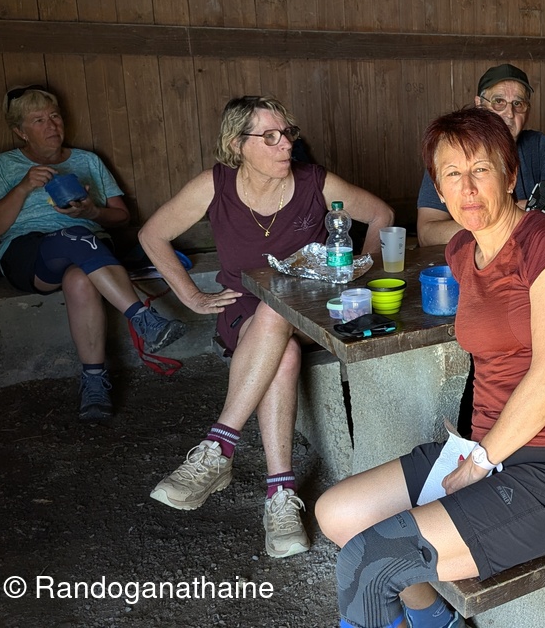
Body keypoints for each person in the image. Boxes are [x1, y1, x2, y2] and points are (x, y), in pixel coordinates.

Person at [316, 108, 545, 628]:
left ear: (511, 175)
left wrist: (478, 462)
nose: (468, 188)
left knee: (370, 560)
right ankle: (436, 619)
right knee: (338, 514)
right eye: (452, 174)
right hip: (489, 445)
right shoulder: (462, 250)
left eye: (481, 169)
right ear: (439, 188)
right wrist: (479, 451)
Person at [138, 95, 392, 559]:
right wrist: (191, 296)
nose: (285, 145)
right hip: (245, 310)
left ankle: (219, 448)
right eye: (270, 137)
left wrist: (362, 269)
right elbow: (151, 235)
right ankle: (280, 495)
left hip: (314, 309)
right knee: (281, 341)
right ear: (237, 144)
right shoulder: (214, 185)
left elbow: (382, 214)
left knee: (279, 311)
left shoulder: (314, 181)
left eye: (287, 134)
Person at [0, 85, 187, 421]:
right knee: (73, 236)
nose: (51, 125)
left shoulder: (87, 161)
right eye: (39, 120)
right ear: (20, 131)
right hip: (29, 254)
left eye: (55, 116)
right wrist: (24, 186)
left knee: (80, 279)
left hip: (90, 248)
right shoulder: (5, 165)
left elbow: (121, 216)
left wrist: (91, 212)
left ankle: (94, 382)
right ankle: (142, 317)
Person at [416, 63, 545, 247]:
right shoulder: (451, 150)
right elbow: (426, 234)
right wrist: (506, 216)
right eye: (498, 101)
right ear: (479, 104)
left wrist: (505, 215)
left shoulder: (537, 145)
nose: (509, 113)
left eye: (518, 103)